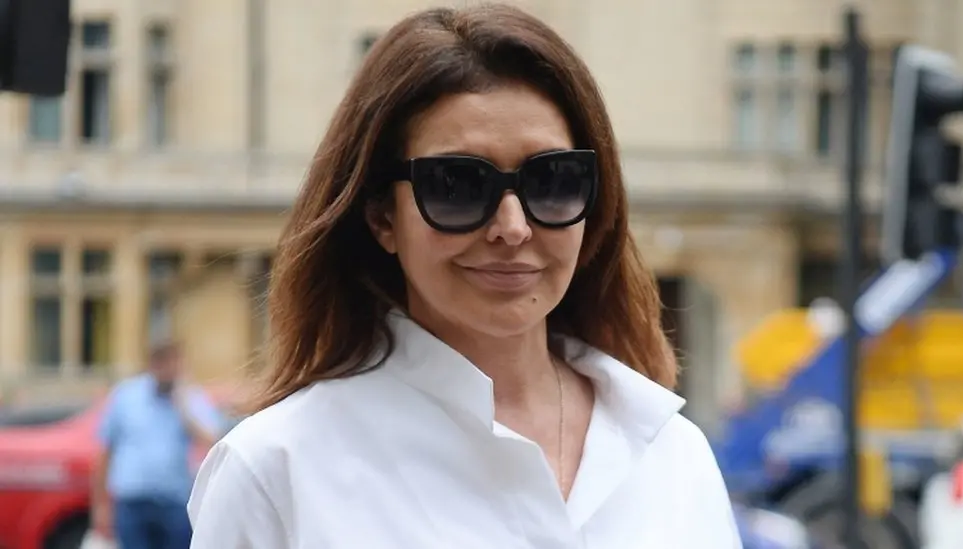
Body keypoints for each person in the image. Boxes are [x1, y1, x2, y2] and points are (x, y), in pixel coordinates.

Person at [188, 4, 741, 548]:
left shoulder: (672, 454)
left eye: (551, 180)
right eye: (457, 185)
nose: (513, 227)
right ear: (382, 215)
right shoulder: (277, 472)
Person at [92, 341, 223, 549]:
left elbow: (212, 440)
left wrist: (184, 408)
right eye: (162, 362)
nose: (168, 369)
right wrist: (101, 506)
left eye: (173, 362)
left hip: (173, 502)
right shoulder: (126, 395)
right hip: (132, 502)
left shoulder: (190, 396)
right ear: (152, 364)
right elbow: (106, 450)